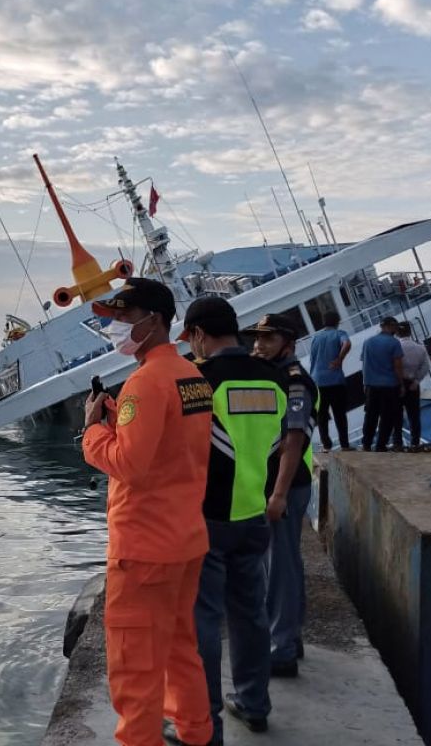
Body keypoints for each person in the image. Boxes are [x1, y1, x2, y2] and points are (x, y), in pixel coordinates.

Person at [82, 278, 215, 746]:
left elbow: (130, 466)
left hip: (144, 548)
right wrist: (124, 420)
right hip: (185, 539)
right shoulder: (190, 375)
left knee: (135, 662)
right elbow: (173, 446)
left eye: (123, 317)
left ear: (154, 320)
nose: (115, 327)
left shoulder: (144, 382)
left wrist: (93, 433)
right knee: (180, 647)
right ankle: (196, 734)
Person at [177, 298, 295, 743]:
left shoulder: (198, 380)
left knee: (203, 620)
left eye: (190, 338)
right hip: (254, 512)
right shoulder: (275, 378)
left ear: (200, 334)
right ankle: (253, 703)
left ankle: (203, 719)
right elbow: (285, 437)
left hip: (206, 517)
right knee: (250, 613)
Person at [246, 313, 318, 679]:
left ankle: (282, 649)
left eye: (268, 339)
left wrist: (278, 495)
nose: (259, 345)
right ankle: (290, 638)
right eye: (257, 339)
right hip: (278, 483)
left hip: (287, 485)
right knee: (283, 564)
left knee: (280, 569)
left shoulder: (295, 383)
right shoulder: (272, 376)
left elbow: (293, 441)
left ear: (288, 343)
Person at [308, 311, 352, 452]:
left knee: (322, 415)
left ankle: (326, 446)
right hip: (335, 381)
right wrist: (340, 358)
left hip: (317, 382)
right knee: (339, 414)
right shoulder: (339, 334)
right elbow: (347, 343)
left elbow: (313, 359)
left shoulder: (315, 338)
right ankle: (345, 445)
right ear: (337, 322)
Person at [360, 316, 404, 451]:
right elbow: (397, 366)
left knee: (370, 415)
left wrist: (364, 384)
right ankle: (381, 445)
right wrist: (401, 384)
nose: (396, 330)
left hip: (371, 386)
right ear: (390, 326)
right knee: (387, 416)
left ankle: (366, 444)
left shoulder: (367, 342)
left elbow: (365, 365)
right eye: (395, 327)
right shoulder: (394, 343)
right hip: (389, 386)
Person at [393, 321, 431, 451]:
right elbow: (425, 367)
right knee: (414, 415)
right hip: (413, 384)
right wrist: (416, 381)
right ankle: (415, 443)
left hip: (398, 384)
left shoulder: (395, 347)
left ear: (397, 333)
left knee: (397, 415)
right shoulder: (420, 348)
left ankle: (398, 443)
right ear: (410, 331)